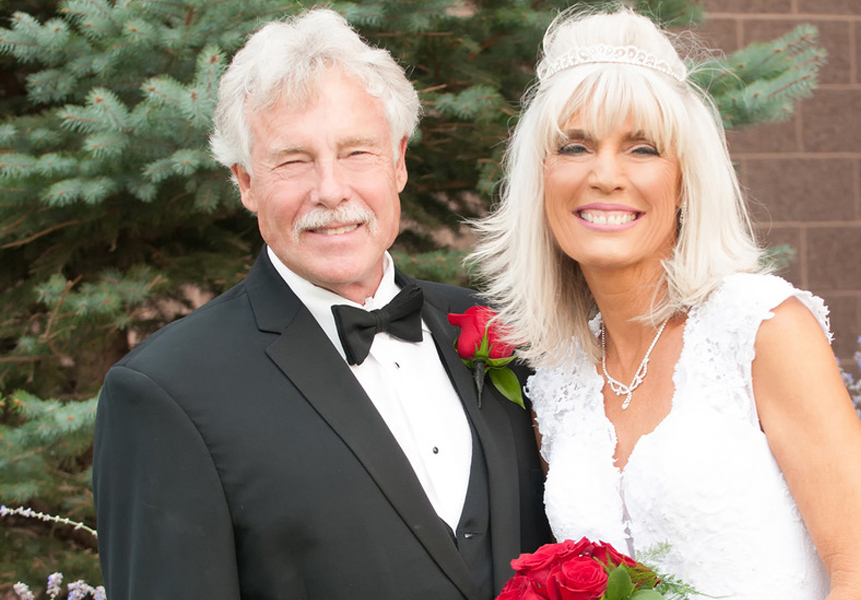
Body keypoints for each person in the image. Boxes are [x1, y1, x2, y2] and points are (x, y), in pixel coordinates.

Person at [91, 9, 549, 600]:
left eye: (357, 152)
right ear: (246, 182)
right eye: (293, 160)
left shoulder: (501, 328)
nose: (331, 190)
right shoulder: (163, 390)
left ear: (399, 160)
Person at [471, 6, 861, 600]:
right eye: (574, 147)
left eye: (642, 148)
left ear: (684, 180)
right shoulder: (556, 380)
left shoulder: (759, 328)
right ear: (540, 180)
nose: (604, 175)